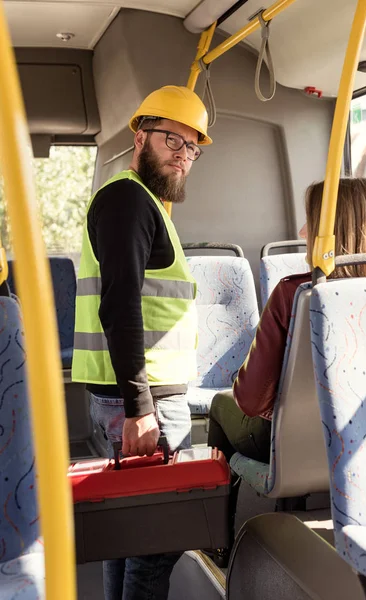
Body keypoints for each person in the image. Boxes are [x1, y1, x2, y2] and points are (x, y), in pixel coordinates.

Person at [71, 85, 212, 600]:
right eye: (172, 140)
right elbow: (121, 304)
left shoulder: (141, 201)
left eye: (192, 147)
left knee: (131, 536)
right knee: (157, 542)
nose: (183, 155)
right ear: (140, 136)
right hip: (141, 397)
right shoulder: (127, 199)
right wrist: (140, 407)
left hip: (138, 393)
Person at [208, 177, 366, 463]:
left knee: (220, 403)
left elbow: (250, 401)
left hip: (298, 445)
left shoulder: (293, 294)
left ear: (332, 234)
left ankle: (224, 506)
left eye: (311, 221)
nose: (301, 231)